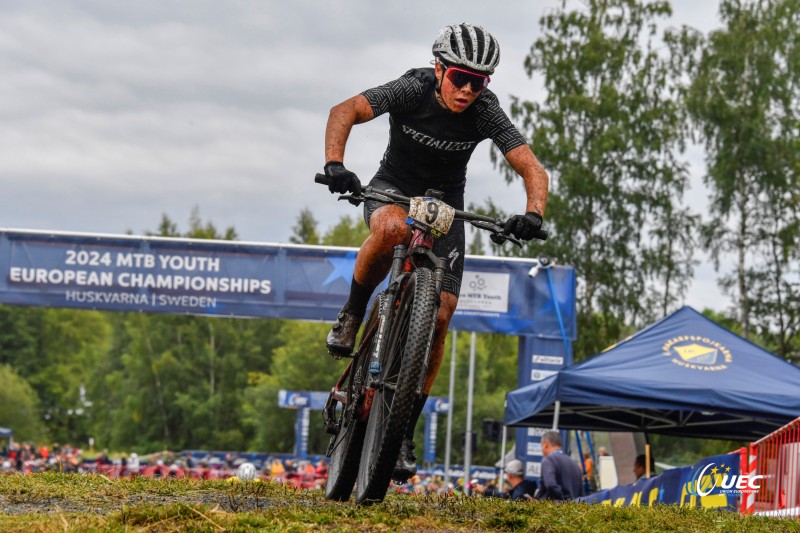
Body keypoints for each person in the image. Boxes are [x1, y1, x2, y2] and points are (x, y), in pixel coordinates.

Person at [321, 23, 549, 483]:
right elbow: (344, 110)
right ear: (440, 69)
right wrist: (335, 164)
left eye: (478, 82)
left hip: (446, 206)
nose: (466, 90)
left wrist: (533, 214)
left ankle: (402, 430)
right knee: (389, 229)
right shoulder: (413, 88)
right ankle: (352, 312)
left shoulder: (485, 110)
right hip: (392, 189)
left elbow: (531, 167)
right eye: (459, 77)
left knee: (442, 315)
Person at [536, 431, 583, 500]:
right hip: (573, 507)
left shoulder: (548, 460)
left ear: (545, 445)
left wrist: (562, 499)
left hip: (553, 508)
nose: (541, 450)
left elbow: (550, 484)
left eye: (541, 446)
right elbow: (581, 491)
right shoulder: (573, 463)